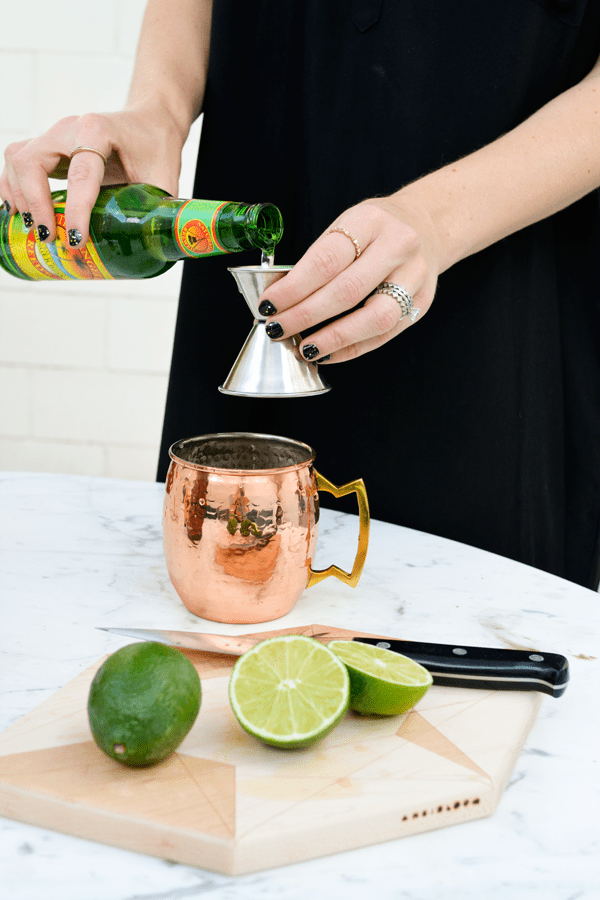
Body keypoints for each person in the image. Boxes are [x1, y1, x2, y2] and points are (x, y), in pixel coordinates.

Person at [2, 0, 600, 589]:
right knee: (221, 608)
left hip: (501, 263)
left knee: (469, 625)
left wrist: (438, 221)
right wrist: (157, 107)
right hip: (262, 160)